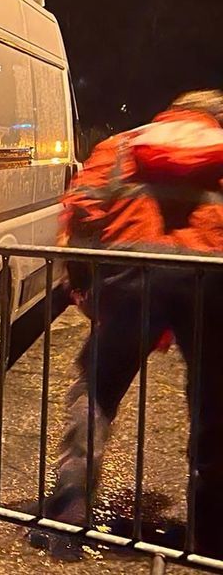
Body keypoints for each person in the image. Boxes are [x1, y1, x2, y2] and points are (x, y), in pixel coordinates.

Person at [43, 90, 223, 557]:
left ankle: (67, 518)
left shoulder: (122, 146)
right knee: (212, 404)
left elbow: (82, 211)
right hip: (211, 275)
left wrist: (84, 285)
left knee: (96, 391)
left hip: (130, 272)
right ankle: (210, 535)